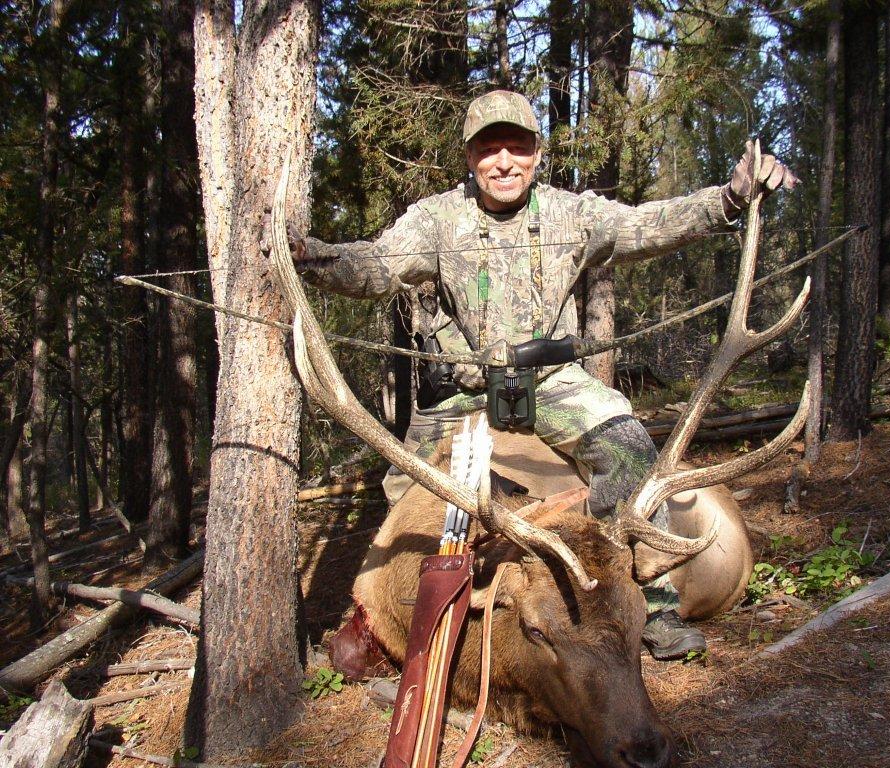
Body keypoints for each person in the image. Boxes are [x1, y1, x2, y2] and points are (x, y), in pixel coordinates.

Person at [275, 90, 796, 660]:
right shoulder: (435, 220)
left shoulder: (572, 214)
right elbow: (377, 266)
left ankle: (650, 601)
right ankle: (408, 617)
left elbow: (647, 225)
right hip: (462, 394)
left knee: (629, 451)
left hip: (551, 383)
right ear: (469, 158)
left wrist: (728, 198)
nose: (504, 161)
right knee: (409, 498)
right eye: (489, 149)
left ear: (538, 154)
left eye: (517, 147)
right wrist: (310, 257)